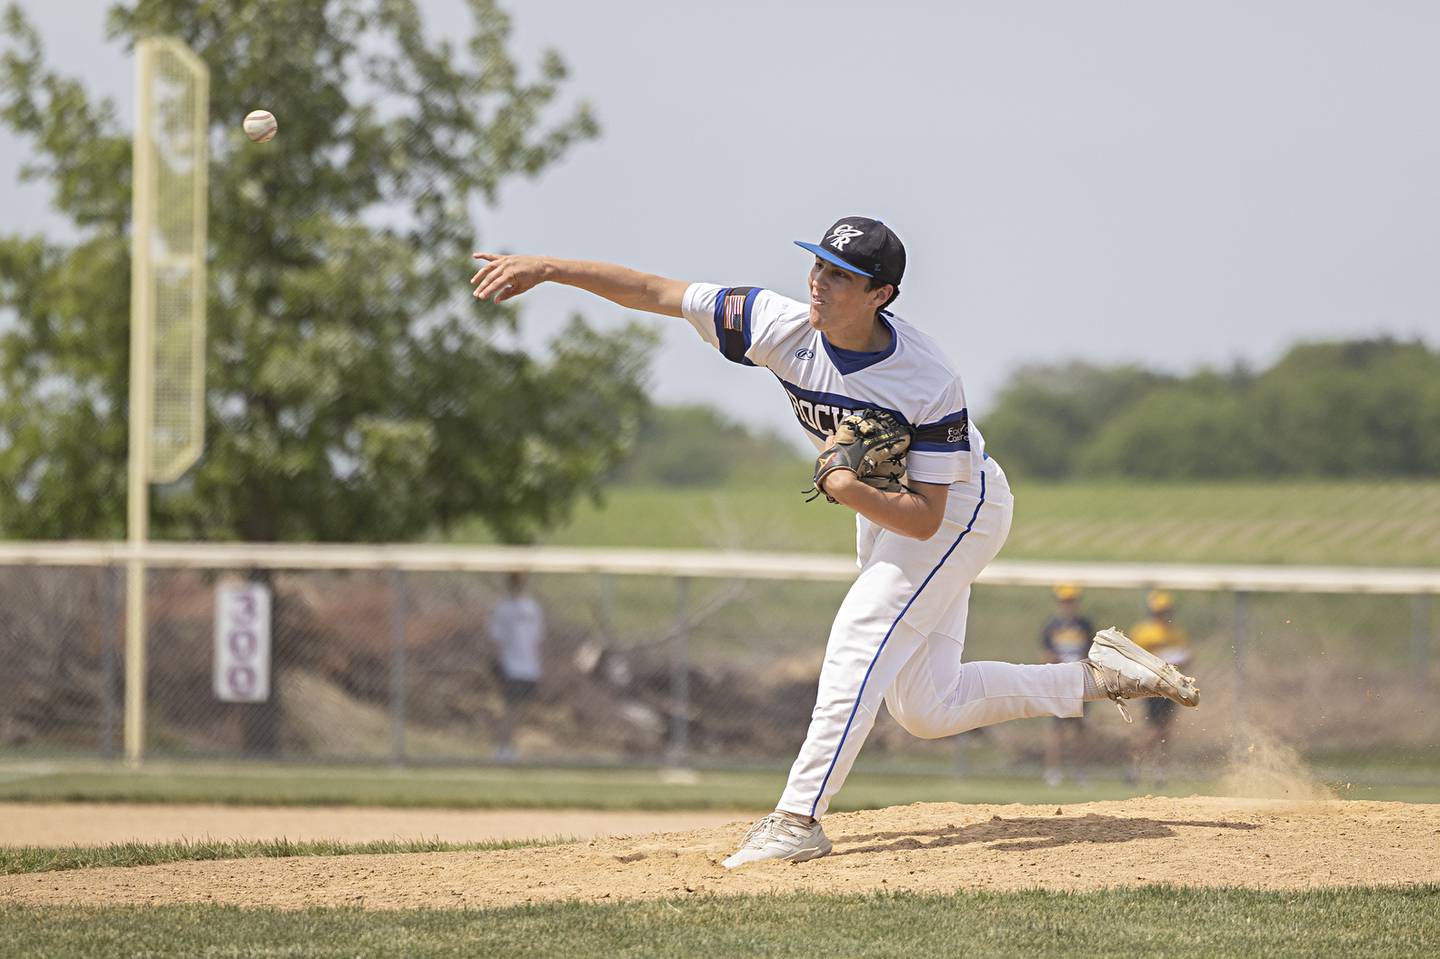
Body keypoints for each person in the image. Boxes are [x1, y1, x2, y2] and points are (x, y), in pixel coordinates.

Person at [468, 216, 1199, 867]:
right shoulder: (775, 323)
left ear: (881, 294)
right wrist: (549, 267)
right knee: (926, 707)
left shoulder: (927, 378)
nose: (819, 283)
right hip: (885, 507)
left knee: (857, 633)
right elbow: (658, 290)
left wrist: (845, 487)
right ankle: (1099, 677)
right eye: (818, 266)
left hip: (957, 510)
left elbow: (924, 516)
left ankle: (798, 818)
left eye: (841, 276)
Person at [1127, 589, 1193, 784]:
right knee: (1153, 729)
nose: (1162, 615)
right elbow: (1133, 657)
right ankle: (1134, 766)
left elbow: (1186, 656)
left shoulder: (1176, 632)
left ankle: (1159, 770)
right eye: (1159, 612)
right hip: (1151, 685)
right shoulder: (1143, 631)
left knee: (1166, 730)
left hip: (1171, 687)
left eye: (1165, 611)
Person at [1040, 584, 1095, 786]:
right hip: (1059, 680)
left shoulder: (1085, 625)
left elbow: (1092, 652)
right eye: (1065, 601)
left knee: (1080, 728)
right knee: (1056, 729)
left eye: (1071, 601)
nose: (1068, 605)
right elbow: (1045, 653)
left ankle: (1081, 771)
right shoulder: (1052, 626)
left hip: (1079, 680)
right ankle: (1053, 771)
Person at [487, 571, 545, 762]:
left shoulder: (532, 608)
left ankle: (511, 746)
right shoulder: (503, 608)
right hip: (511, 666)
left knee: (520, 711)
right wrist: (498, 663)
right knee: (510, 710)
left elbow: (538, 640)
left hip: (530, 667)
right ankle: (503, 749)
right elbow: (496, 639)